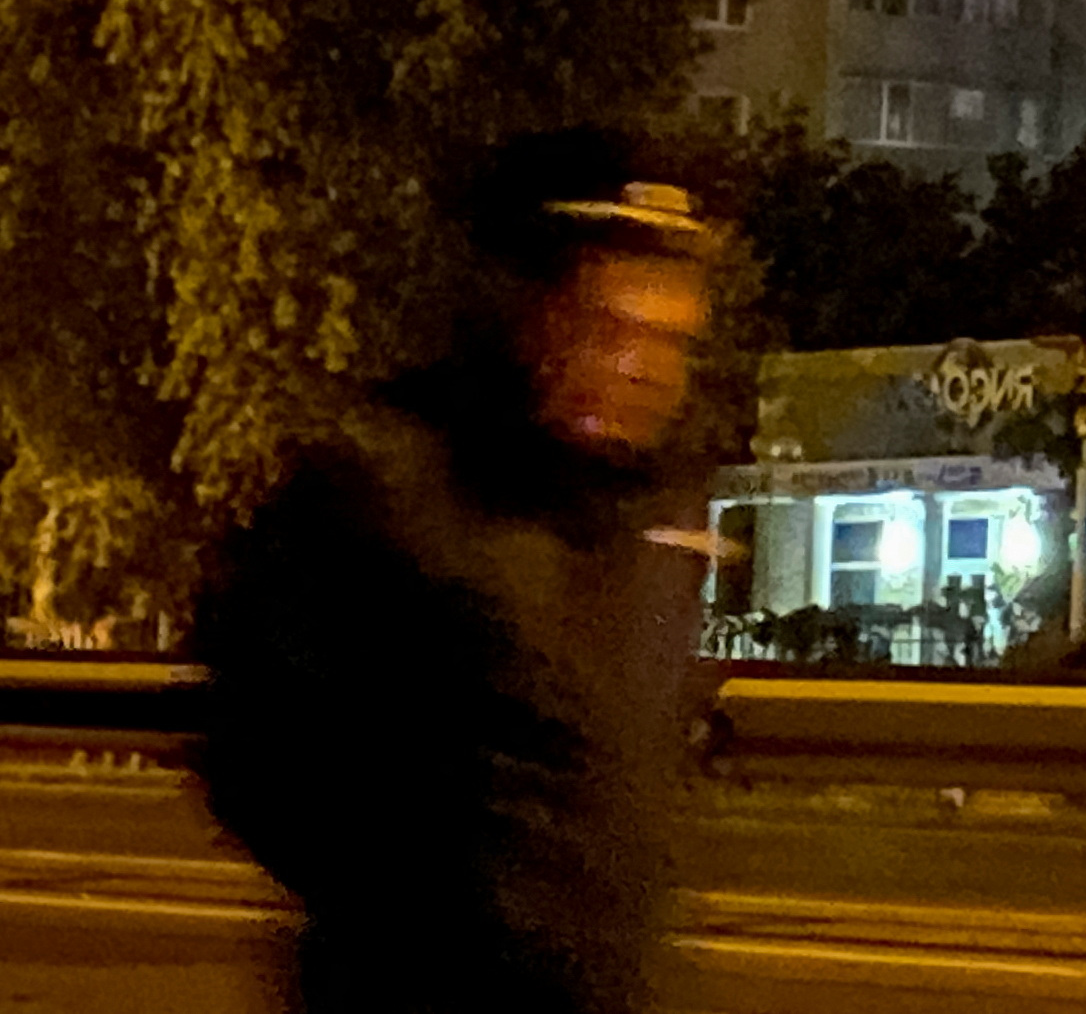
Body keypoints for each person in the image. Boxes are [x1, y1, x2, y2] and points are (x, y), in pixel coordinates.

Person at [197, 130, 721, 1014]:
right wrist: (429, 922)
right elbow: (256, 755)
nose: (641, 369)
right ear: (524, 308)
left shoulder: (656, 525)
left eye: (669, 339)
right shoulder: (386, 494)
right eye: (608, 327)